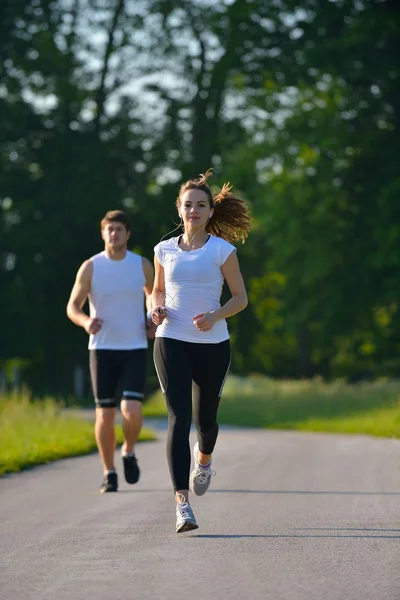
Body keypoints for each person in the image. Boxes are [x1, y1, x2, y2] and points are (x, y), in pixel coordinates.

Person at [151, 169, 251, 532]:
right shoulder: (163, 250)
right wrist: (155, 308)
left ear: (210, 211)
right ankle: (182, 504)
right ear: (179, 209)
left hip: (212, 343)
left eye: (200, 205)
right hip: (171, 338)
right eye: (188, 204)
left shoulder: (222, 250)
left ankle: (204, 460)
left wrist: (215, 315)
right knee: (178, 420)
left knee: (205, 421)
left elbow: (240, 298)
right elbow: (157, 291)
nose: (193, 210)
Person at [67, 210, 155, 493]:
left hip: (134, 346)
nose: (114, 233)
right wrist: (85, 322)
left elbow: (154, 296)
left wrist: (152, 318)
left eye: (119, 229)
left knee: (131, 410)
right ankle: (109, 472)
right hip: (102, 348)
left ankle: (128, 451)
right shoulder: (91, 266)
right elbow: (73, 306)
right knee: (104, 415)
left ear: (128, 234)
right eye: (109, 229)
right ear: (103, 233)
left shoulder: (141, 265)